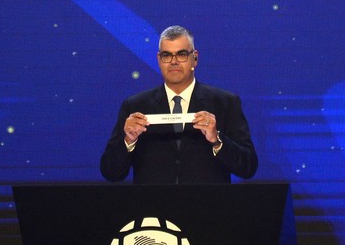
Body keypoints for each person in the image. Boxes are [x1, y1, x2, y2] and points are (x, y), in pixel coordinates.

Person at [100, 25, 258, 184]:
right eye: (166, 55)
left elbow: (248, 167)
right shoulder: (135, 106)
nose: (174, 61)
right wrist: (128, 141)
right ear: (159, 60)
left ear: (195, 58)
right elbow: (111, 172)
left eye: (181, 54)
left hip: (208, 206)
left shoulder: (225, 103)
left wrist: (217, 140)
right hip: (151, 207)